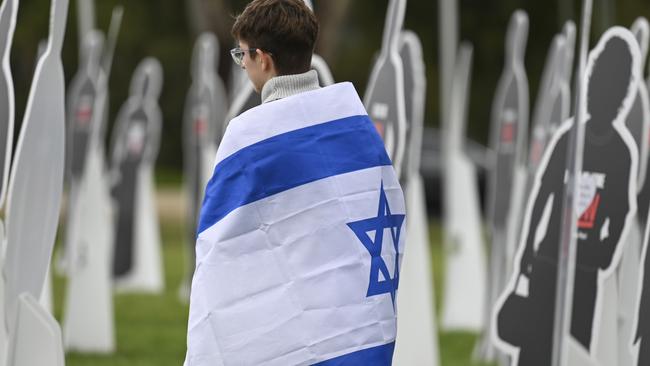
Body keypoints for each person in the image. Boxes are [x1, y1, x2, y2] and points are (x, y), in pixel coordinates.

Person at [184, 1, 407, 365]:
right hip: (352, 321)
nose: (242, 65)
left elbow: (219, 249)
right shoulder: (356, 125)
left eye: (243, 55)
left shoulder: (249, 138)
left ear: (264, 59)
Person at [496, 29, 638, 365]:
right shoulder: (569, 138)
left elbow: (620, 212)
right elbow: (543, 194)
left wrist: (603, 253)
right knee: (533, 353)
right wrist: (529, 248)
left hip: (584, 270)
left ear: (620, 93)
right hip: (548, 261)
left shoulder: (620, 153)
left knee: (571, 353)